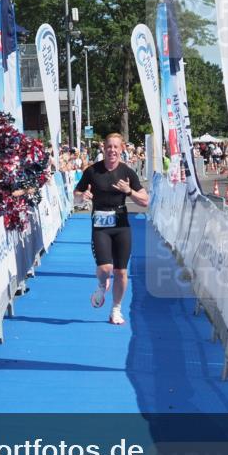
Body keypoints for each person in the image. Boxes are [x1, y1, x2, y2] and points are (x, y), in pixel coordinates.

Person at [74, 133, 149, 326]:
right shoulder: (92, 171)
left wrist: (129, 191)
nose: (112, 150)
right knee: (105, 268)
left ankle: (116, 309)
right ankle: (102, 283)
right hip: (100, 225)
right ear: (104, 148)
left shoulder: (127, 172)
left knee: (121, 272)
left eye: (116, 147)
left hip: (121, 225)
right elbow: (76, 194)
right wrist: (83, 196)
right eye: (109, 146)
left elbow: (145, 201)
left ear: (122, 149)